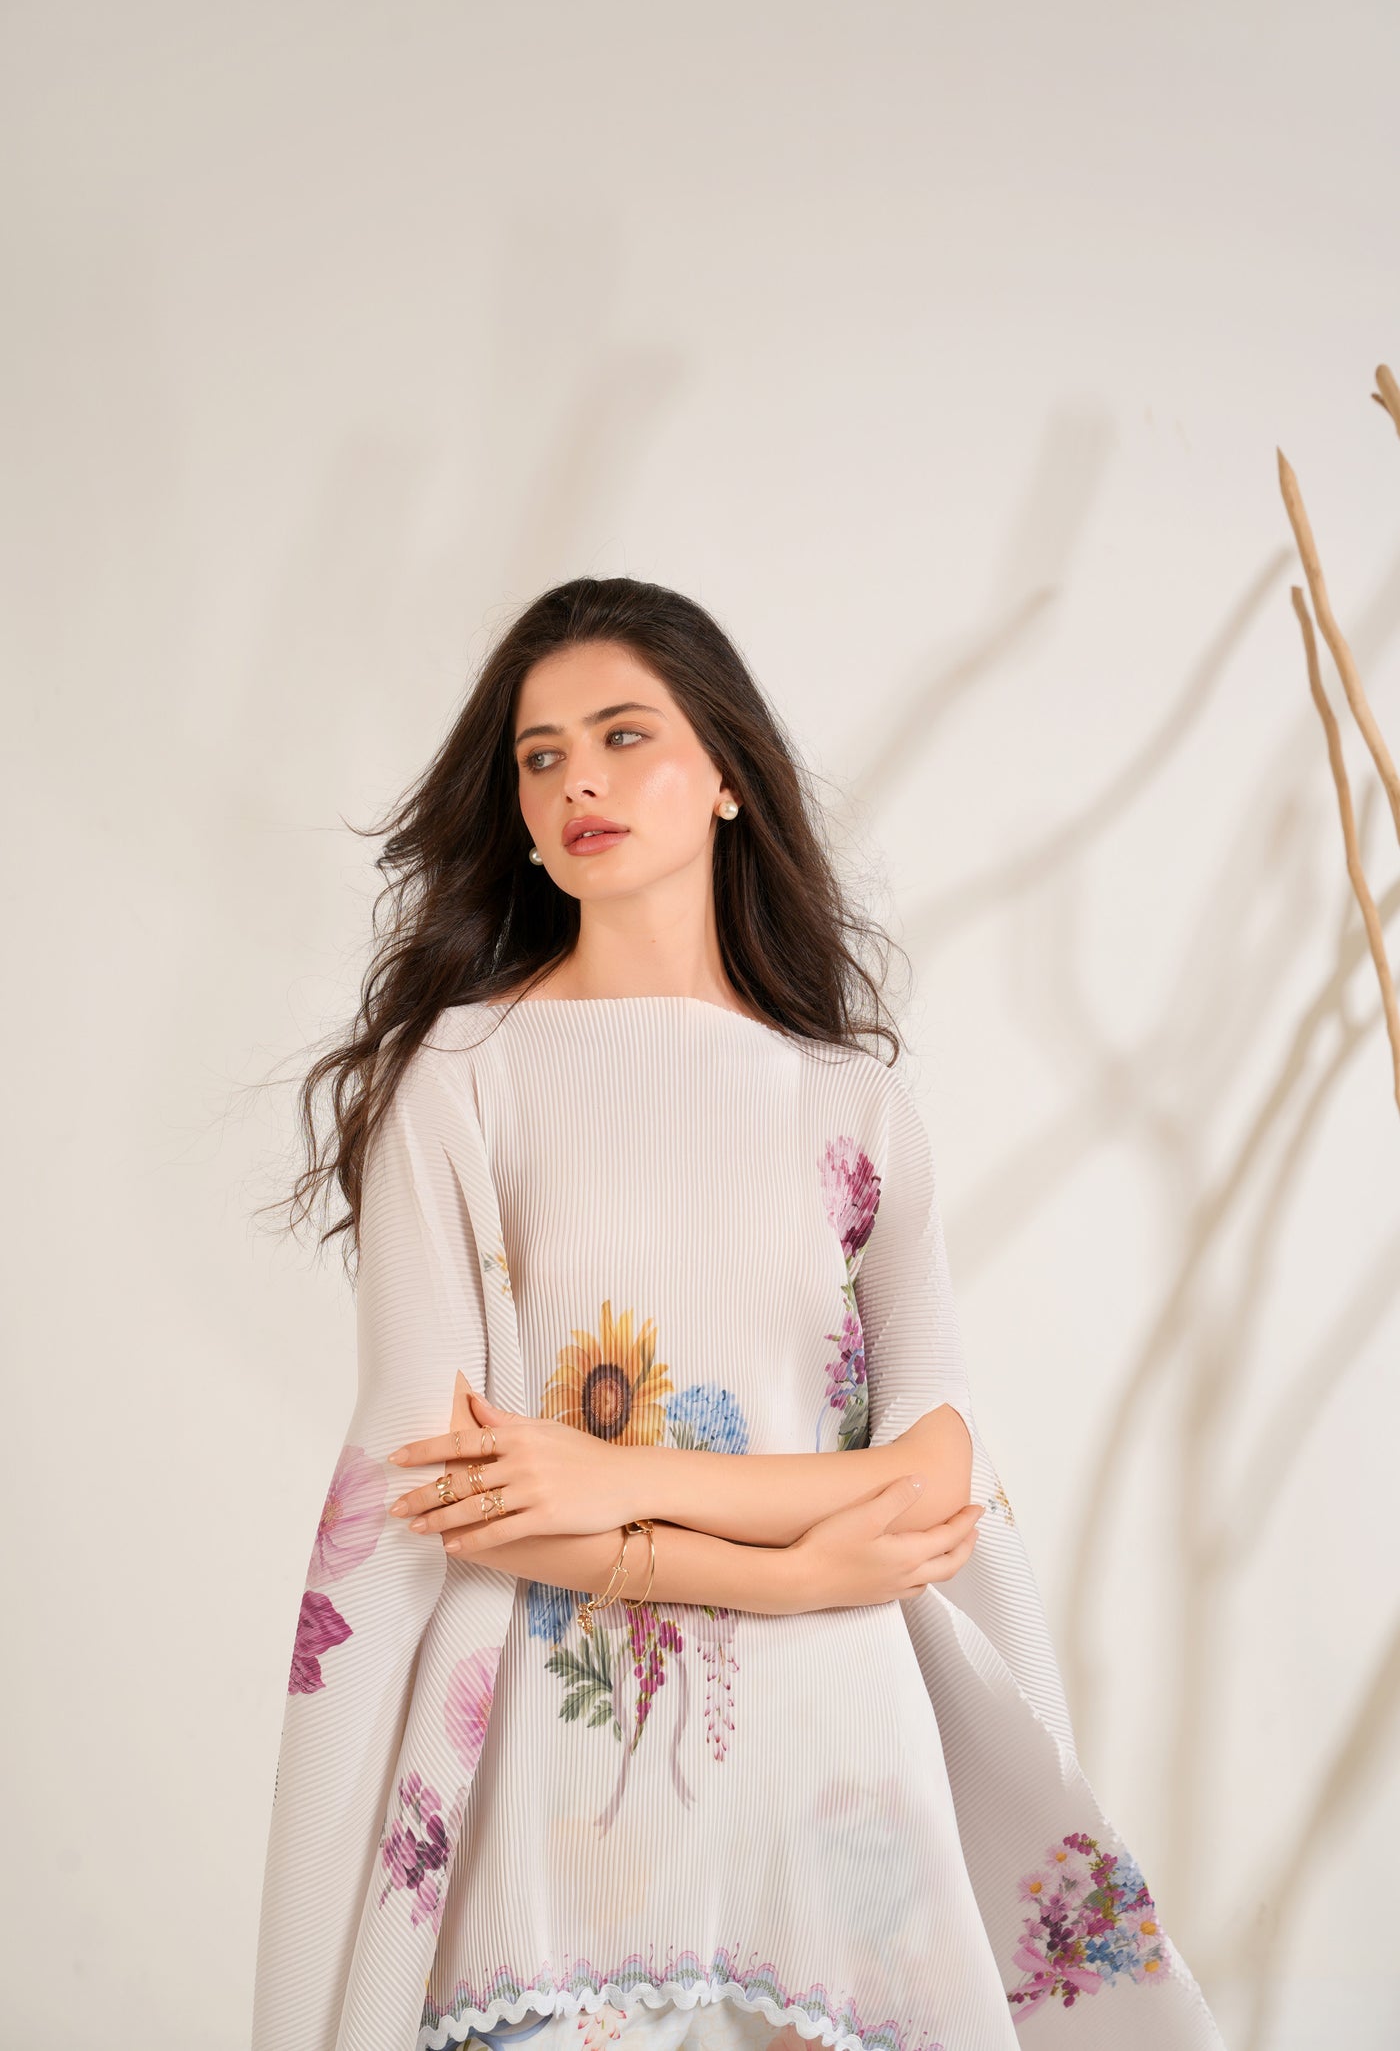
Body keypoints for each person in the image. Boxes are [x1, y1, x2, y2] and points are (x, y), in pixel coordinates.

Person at [251, 578, 1227, 2051]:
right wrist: (803, 1564)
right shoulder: (457, 1081)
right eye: (539, 756)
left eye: (622, 735)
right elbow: (443, 1491)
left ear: (725, 775)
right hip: (564, 1765)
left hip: (840, 1747)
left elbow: (938, 1471)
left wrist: (614, 1481)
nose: (577, 780)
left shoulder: (855, 1103)